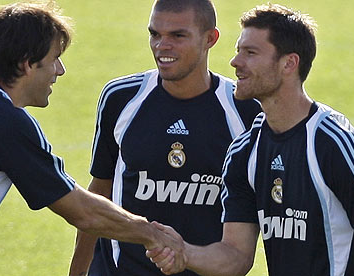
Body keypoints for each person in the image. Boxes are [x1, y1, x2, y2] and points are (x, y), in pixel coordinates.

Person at [0, 2, 185, 276]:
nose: (59, 70)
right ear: (27, 63)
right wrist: (152, 234)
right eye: (54, 58)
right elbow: (82, 211)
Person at [148, 3, 354, 276]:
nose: (235, 62)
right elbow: (236, 255)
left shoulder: (335, 144)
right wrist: (184, 252)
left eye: (250, 53)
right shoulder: (244, 151)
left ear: (288, 63)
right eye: (238, 51)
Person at [68, 0, 261, 275]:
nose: (162, 46)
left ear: (210, 38)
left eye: (177, 35)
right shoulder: (121, 98)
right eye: (155, 34)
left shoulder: (245, 110)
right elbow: (100, 191)